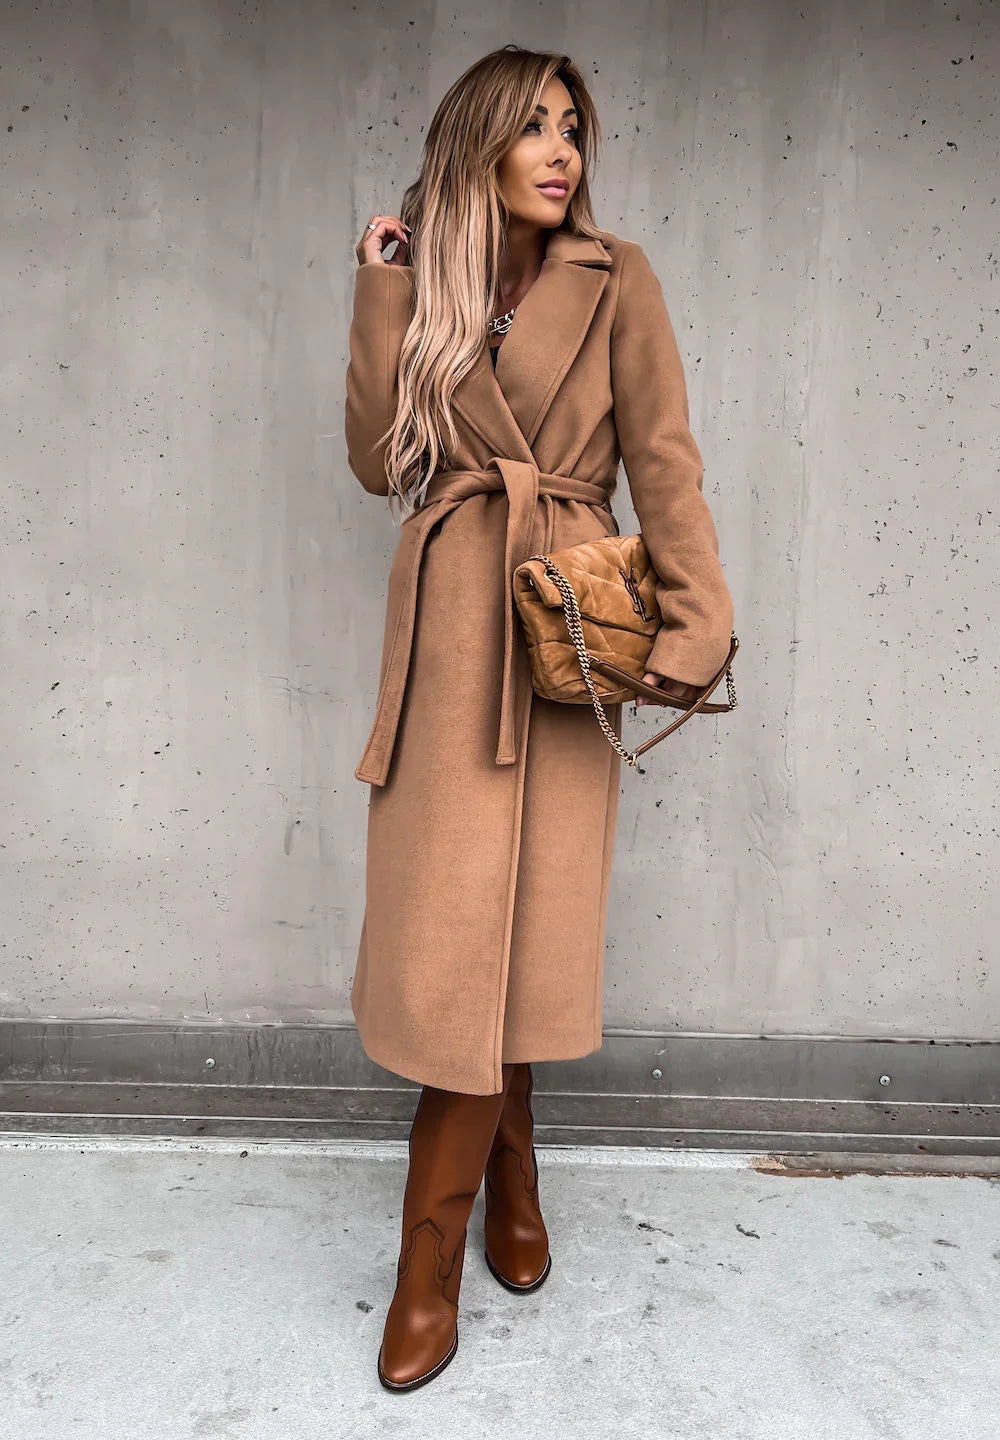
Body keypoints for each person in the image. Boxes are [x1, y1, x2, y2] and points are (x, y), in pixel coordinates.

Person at [343, 46, 735, 1391]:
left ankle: (444, 1250)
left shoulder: (618, 278)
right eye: (534, 127)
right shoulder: (430, 284)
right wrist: (381, 287)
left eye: (574, 127)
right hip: (453, 635)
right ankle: (476, 1213)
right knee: (456, 944)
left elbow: (665, 461)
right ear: (479, 146)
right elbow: (376, 460)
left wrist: (694, 623)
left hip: (561, 626)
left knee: (520, 937)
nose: (563, 150)